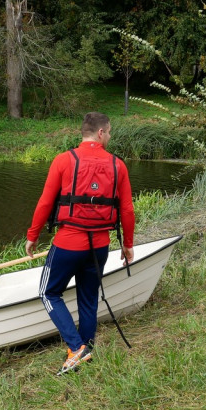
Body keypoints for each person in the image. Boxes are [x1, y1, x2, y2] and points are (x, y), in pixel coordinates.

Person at [25, 112, 135, 375]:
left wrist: (33, 235)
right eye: (109, 132)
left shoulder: (64, 160)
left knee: (48, 292)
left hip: (68, 243)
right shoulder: (118, 165)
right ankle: (87, 349)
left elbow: (45, 202)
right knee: (88, 298)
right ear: (100, 133)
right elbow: (128, 209)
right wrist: (128, 244)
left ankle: (77, 348)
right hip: (99, 246)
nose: (109, 136)